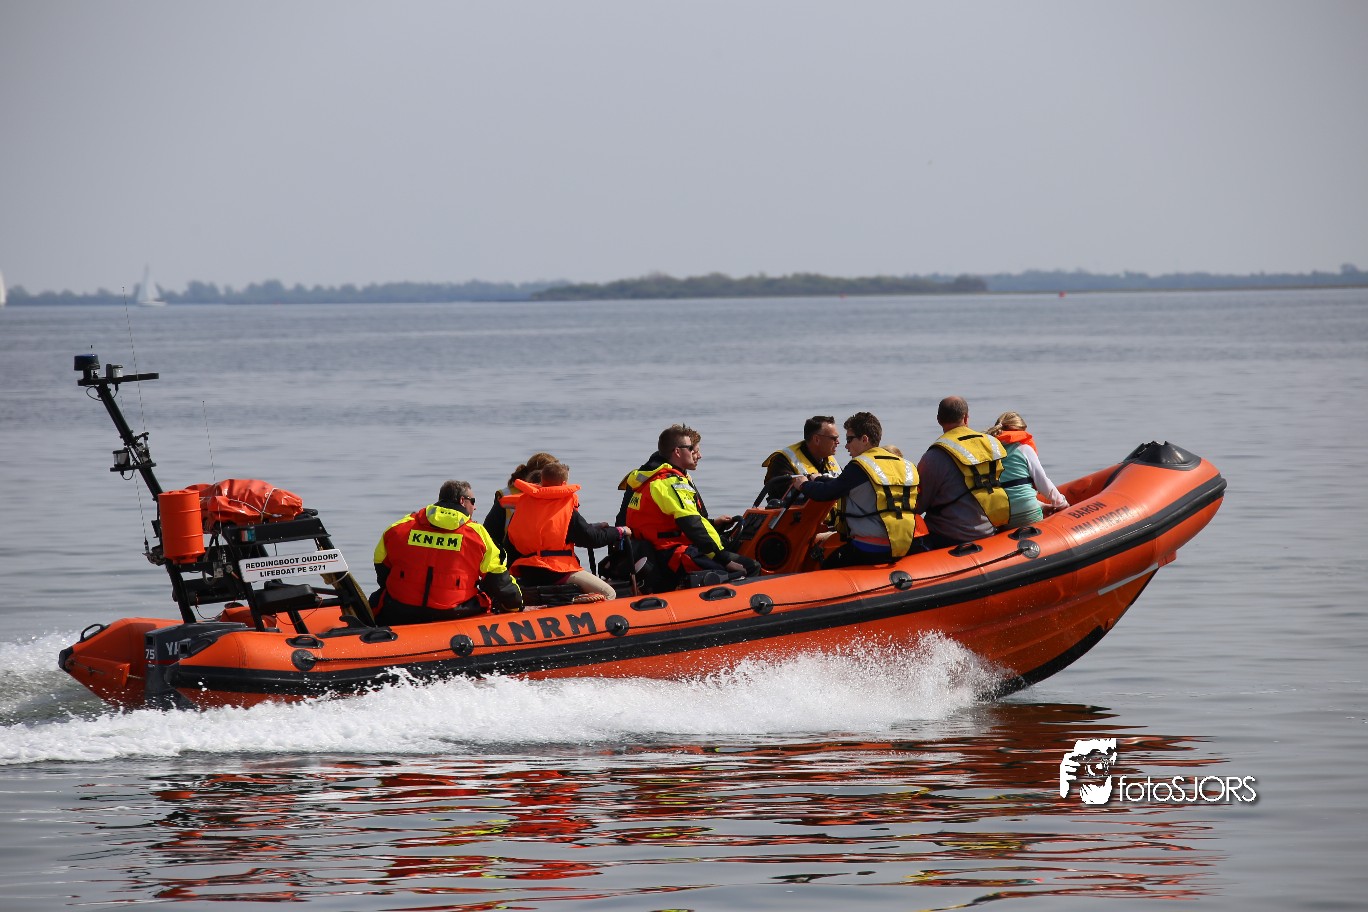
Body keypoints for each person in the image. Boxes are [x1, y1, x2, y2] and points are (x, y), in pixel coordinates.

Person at [619, 424, 760, 590]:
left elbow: (678, 522)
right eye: (692, 449)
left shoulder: (651, 479)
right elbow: (691, 523)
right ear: (677, 452)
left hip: (659, 552)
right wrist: (723, 558)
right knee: (750, 567)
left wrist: (714, 524)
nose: (698, 455)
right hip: (672, 555)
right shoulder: (669, 483)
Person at [372, 479, 523, 625]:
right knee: (487, 599)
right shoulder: (477, 535)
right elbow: (497, 579)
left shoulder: (400, 527)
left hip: (399, 611)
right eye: (473, 501)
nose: (475, 507)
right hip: (454, 613)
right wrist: (516, 604)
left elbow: (381, 565)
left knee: (377, 598)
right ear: (462, 501)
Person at [791, 411, 919, 567]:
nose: (846, 446)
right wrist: (818, 478)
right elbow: (844, 484)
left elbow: (826, 493)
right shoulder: (905, 465)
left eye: (849, 439)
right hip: (902, 546)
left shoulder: (860, 466)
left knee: (823, 565)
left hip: (869, 547)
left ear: (864, 439)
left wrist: (803, 484)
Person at [501, 461, 627, 601]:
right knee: (609, 593)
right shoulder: (565, 509)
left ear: (542, 480)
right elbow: (591, 538)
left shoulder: (522, 508)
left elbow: (510, 545)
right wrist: (619, 531)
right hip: (557, 571)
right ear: (564, 483)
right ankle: (579, 606)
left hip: (527, 571)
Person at [915, 396, 1011, 550]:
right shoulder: (992, 444)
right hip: (989, 530)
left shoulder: (933, 457)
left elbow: (918, 506)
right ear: (966, 418)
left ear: (939, 420)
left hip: (948, 537)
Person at [986, 411, 1069, 527]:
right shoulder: (1024, 449)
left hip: (1002, 516)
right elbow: (1042, 482)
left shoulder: (989, 455)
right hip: (1028, 514)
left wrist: (1042, 506)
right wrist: (1061, 503)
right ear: (1020, 430)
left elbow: (1010, 491)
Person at [483, 452, 559, 553]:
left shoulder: (559, 498)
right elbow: (490, 536)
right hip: (514, 556)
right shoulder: (506, 497)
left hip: (537, 558)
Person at [761, 415, 842, 486]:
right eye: (834, 438)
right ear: (816, 439)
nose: (838, 442)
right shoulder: (782, 461)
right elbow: (781, 491)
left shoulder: (830, 460)